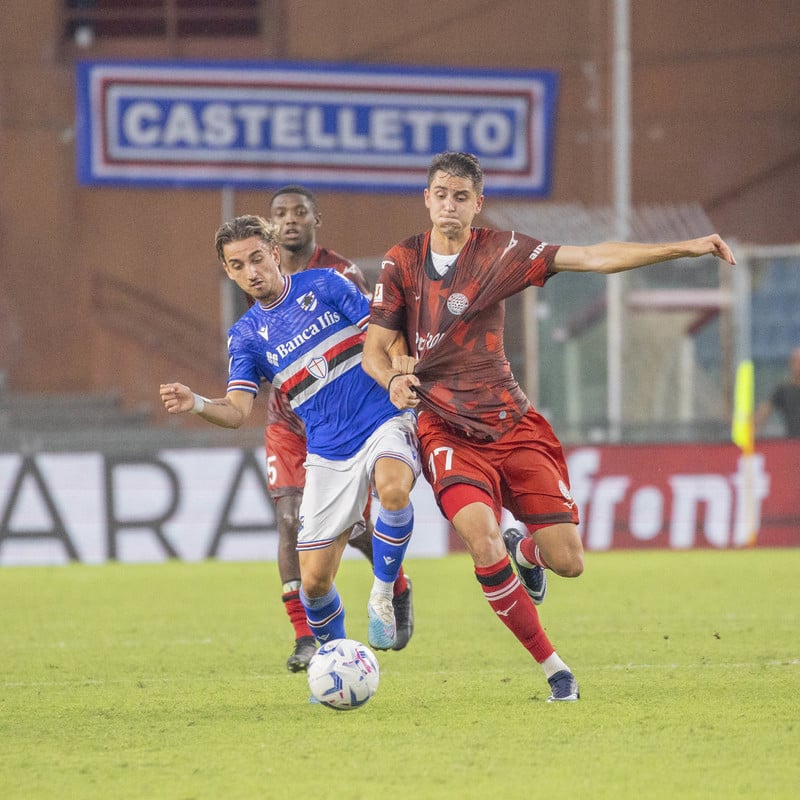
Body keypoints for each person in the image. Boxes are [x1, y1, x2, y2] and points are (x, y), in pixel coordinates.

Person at [362, 151, 737, 702]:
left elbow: (592, 256)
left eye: (461, 196)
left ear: (477, 204)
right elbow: (374, 350)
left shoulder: (501, 251)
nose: (449, 204)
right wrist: (393, 381)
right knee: (480, 539)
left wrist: (685, 247)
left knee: (569, 562)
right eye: (440, 193)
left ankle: (529, 551)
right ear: (426, 198)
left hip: (512, 425)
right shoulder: (401, 262)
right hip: (445, 431)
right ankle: (555, 668)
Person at [160, 214, 420, 660]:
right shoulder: (244, 337)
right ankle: (340, 662)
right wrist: (198, 403)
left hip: (381, 419)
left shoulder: (326, 284)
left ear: (275, 254)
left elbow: (386, 335)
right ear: (228, 270)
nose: (251, 273)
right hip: (327, 451)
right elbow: (237, 411)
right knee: (315, 584)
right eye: (237, 266)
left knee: (393, 490)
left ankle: (384, 592)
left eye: (257, 259)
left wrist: (399, 371)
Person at [263, 186, 414, 671]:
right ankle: (306, 638)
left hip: (348, 414)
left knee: (351, 528)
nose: (290, 221)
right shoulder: (260, 274)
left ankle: (396, 585)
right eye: (281, 214)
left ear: (315, 220)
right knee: (288, 520)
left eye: (299, 213)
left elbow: (376, 332)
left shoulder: (339, 274)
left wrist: (396, 372)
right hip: (289, 418)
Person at [754, 347, 800, 438]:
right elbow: (765, 410)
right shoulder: (784, 389)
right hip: (792, 442)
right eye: (795, 362)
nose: (798, 366)